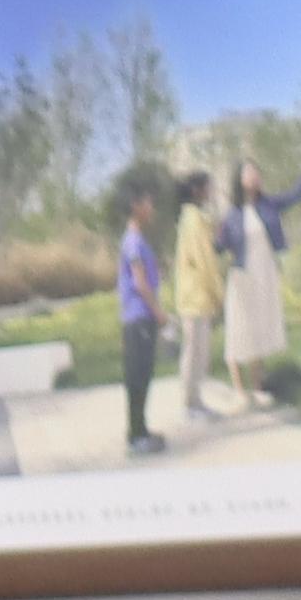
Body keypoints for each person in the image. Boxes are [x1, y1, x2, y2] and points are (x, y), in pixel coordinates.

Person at [165, 163, 231, 426]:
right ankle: (189, 405)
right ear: (197, 190)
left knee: (198, 353)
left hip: (195, 297)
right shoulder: (194, 220)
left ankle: (196, 402)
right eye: (209, 187)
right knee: (194, 353)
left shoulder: (194, 218)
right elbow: (206, 262)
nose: (212, 191)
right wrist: (219, 295)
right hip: (196, 297)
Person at [226, 155, 292, 407]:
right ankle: (239, 390)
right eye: (249, 172)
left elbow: (293, 196)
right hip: (241, 277)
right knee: (238, 329)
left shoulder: (267, 205)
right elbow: (220, 244)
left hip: (263, 273)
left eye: (256, 172)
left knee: (257, 328)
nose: (254, 176)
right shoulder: (232, 214)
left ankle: (257, 387)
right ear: (239, 179)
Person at [111, 174, 171, 452]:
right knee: (137, 377)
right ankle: (136, 437)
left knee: (142, 377)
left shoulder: (135, 240)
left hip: (139, 318)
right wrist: (158, 312)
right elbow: (140, 282)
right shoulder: (133, 241)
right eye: (148, 202)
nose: (152, 207)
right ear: (135, 206)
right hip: (139, 318)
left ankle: (141, 431)